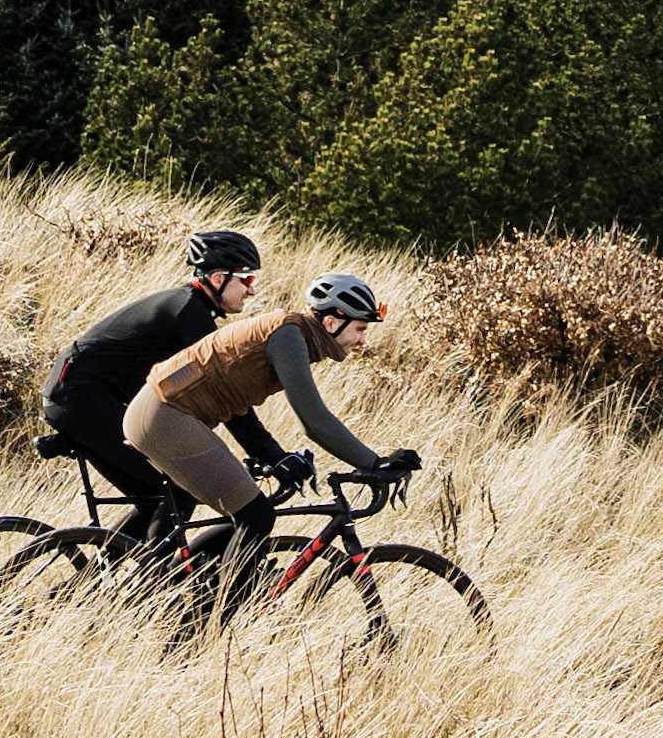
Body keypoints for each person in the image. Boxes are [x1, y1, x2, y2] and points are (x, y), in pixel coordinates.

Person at [132, 272, 416, 582]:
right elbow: (314, 420)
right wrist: (373, 463)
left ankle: (171, 587)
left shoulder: (297, 335)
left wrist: (273, 456)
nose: (363, 340)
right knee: (256, 516)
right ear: (333, 322)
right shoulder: (288, 334)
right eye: (360, 329)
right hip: (165, 414)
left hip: (167, 412)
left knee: (247, 512)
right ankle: (205, 618)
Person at [38, 230, 268, 532]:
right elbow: (221, 387)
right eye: (247, 280)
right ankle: (153, 578)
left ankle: (100, 574)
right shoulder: (190, 312)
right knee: (179, 487)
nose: (251, 292)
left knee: (154, 496)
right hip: (81, 396)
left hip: (79, 396)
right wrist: (266, 450)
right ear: (217, 279)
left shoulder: (189, 307)